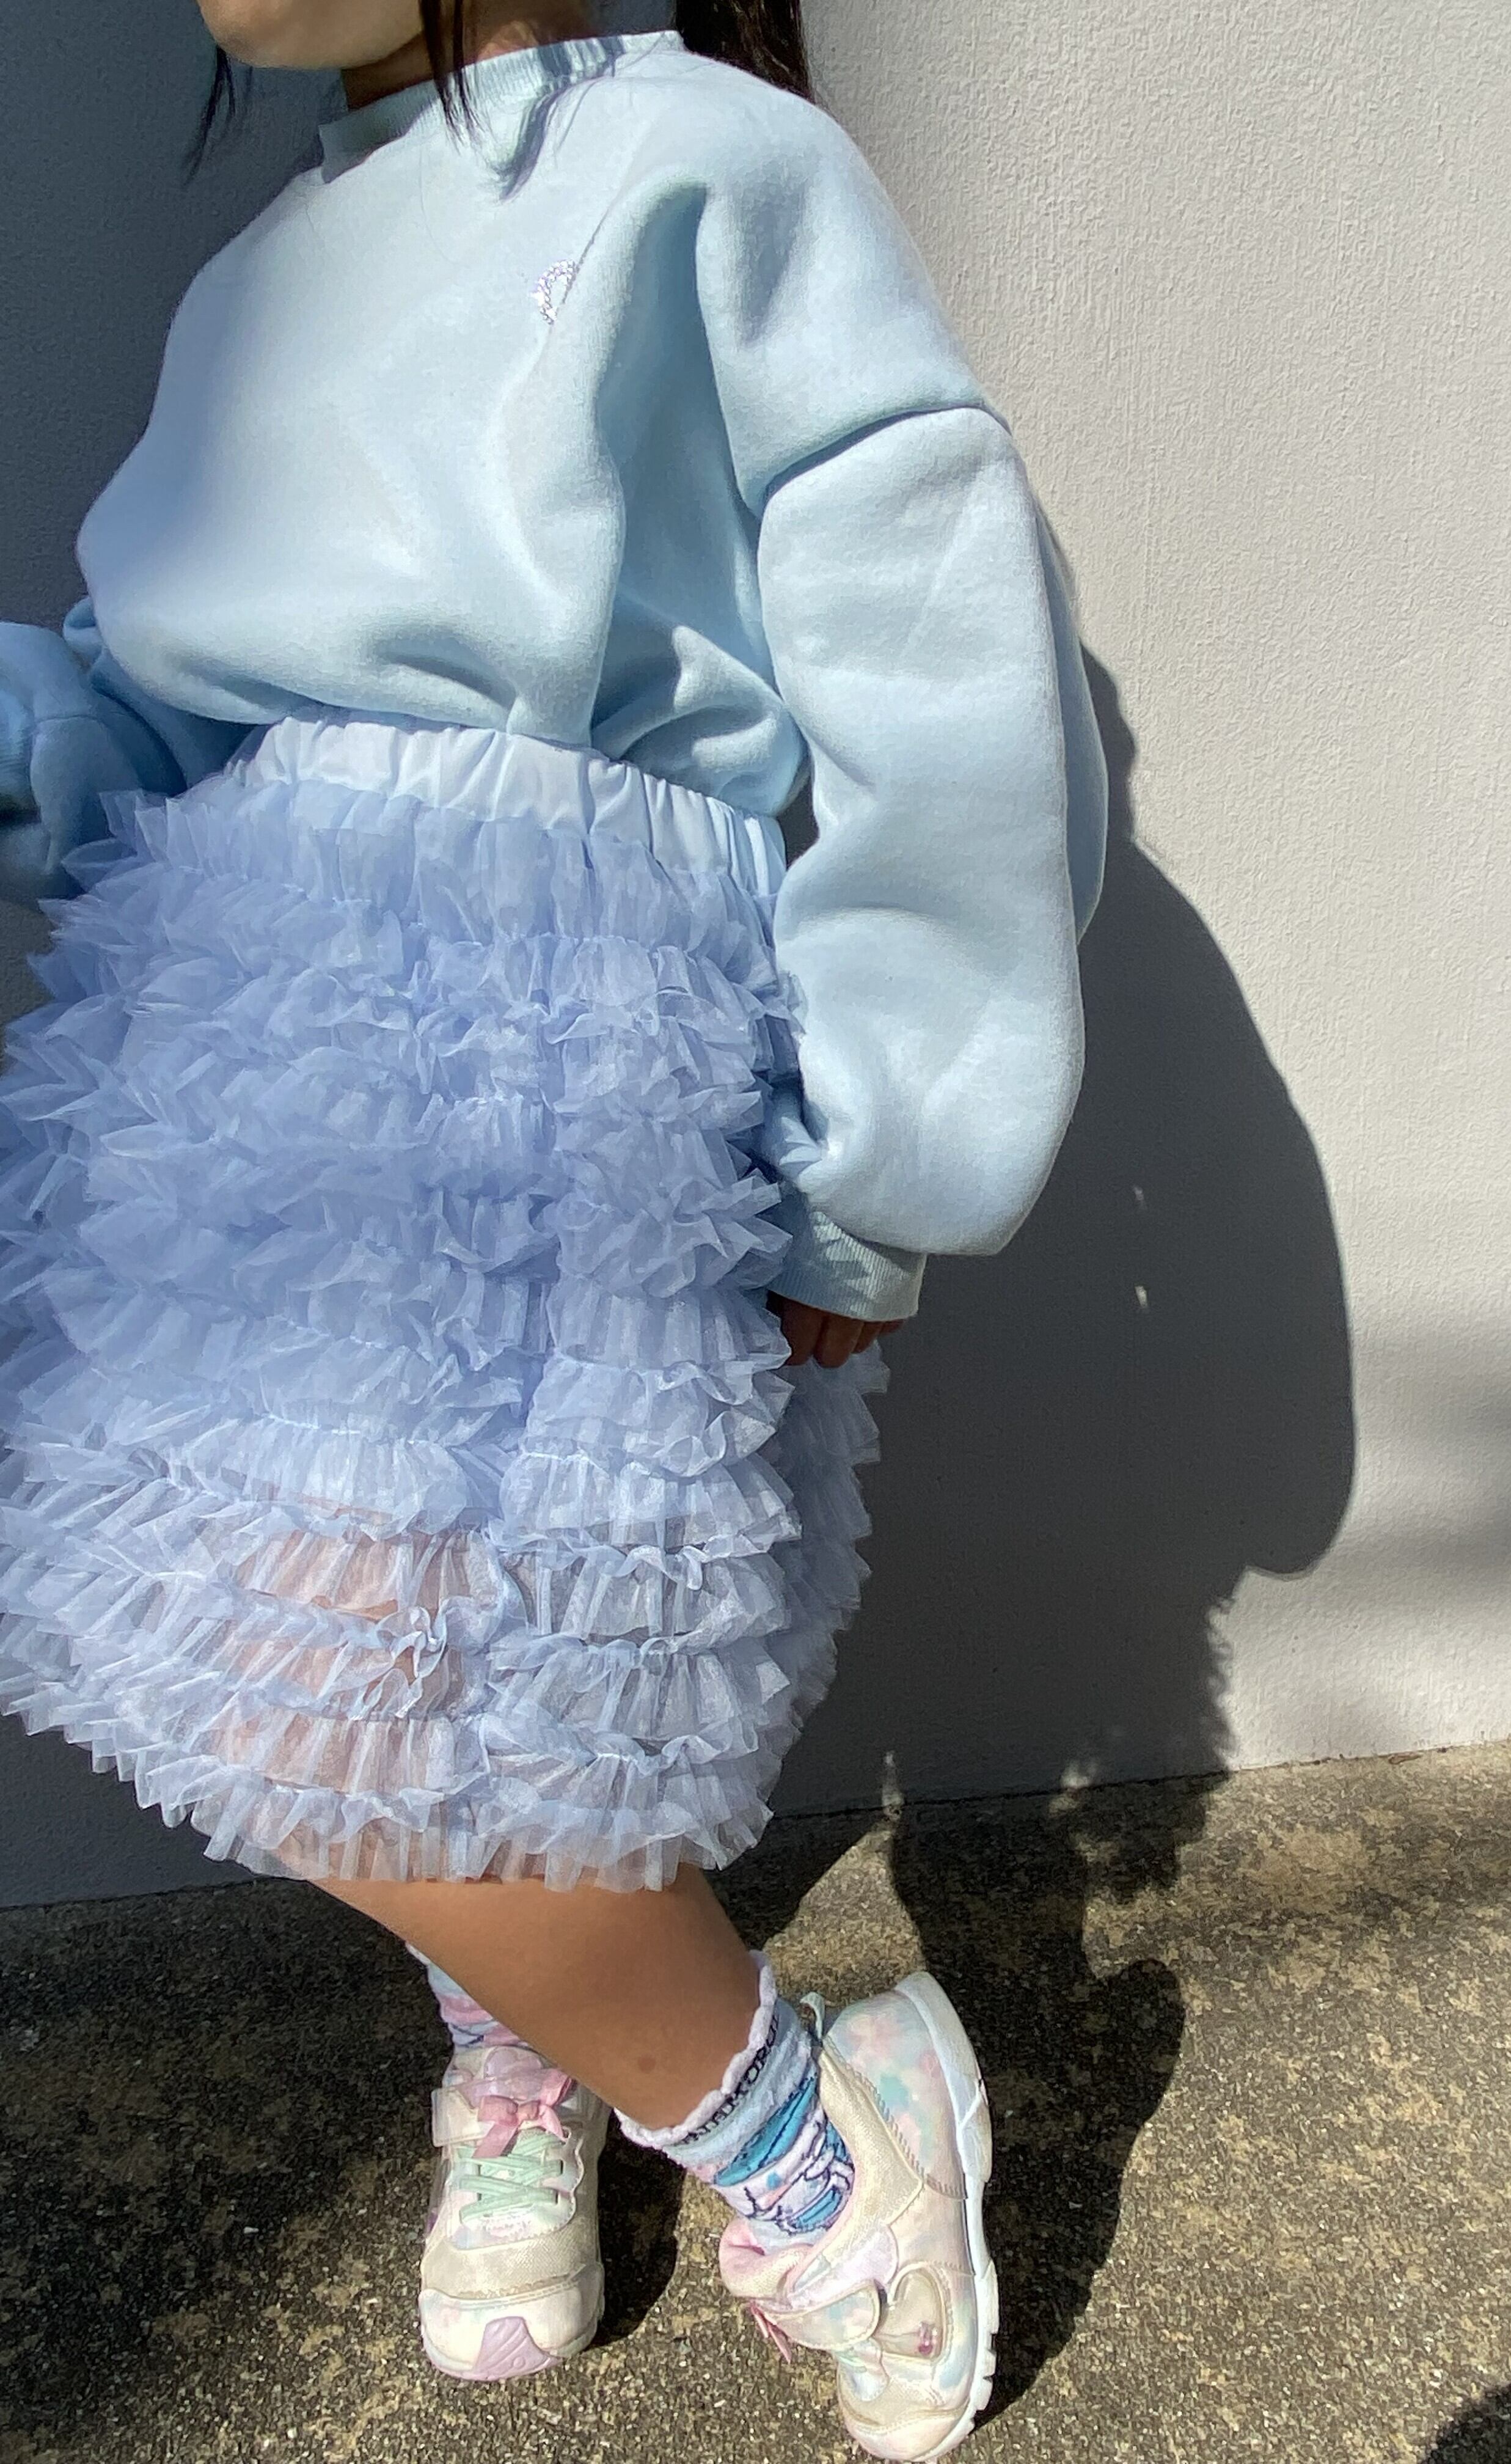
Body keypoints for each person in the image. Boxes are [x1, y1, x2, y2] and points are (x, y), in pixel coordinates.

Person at [0, 2, 1106, 2454]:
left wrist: (888, 1150)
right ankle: (550, 2049)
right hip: (262, 1035)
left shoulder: (710, 165)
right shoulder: (260, 275)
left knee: (474, 1673)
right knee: (357, 1668)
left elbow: (939, 668)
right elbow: (168, 717)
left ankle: (802, 2145)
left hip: (547, 1024)